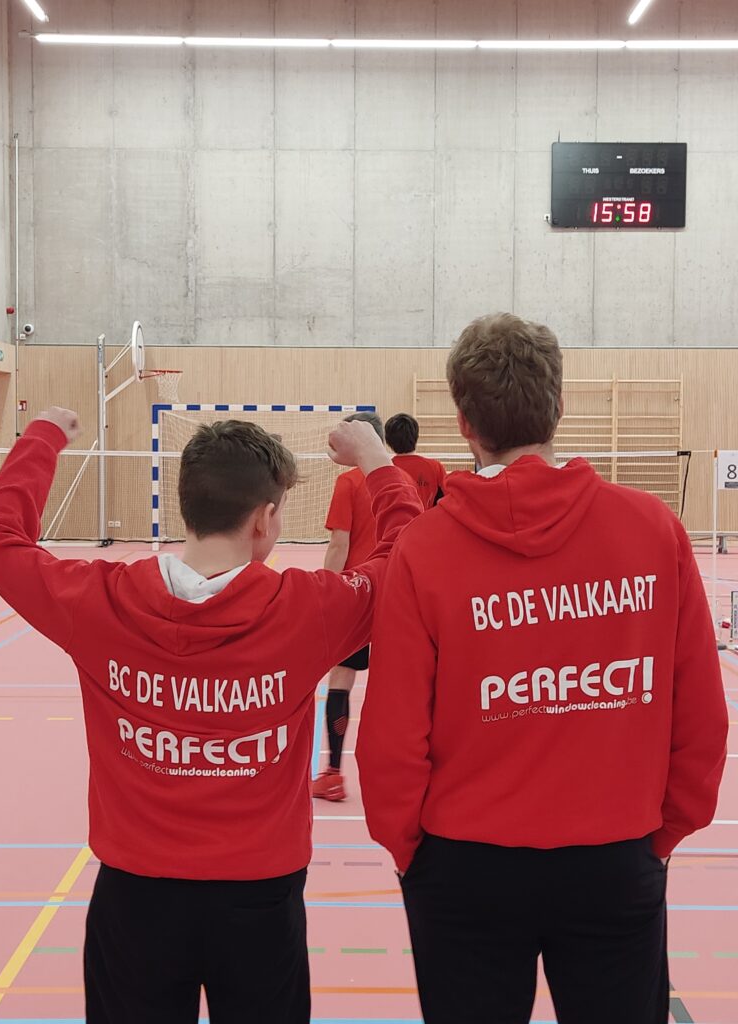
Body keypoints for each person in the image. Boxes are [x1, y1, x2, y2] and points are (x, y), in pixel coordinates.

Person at [0, 408, 421, 1024]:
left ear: (187, 506)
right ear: (265, 519)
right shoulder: (308, 611)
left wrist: (42, 436)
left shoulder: (99, 603)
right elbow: (408, 557)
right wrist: (376, 460)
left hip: (134, 900)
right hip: (260, 902)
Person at [356, 313, 728, 1024]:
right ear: (559, 407)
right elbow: (703, 716)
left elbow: (392, 735)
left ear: (464, 422)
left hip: (464, 867)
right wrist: (658, 837)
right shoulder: (652, 529)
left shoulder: (424, 551)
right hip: (614, 858)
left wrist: (414, 854)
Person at [312, 411, 392, 802]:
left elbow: (339, 544)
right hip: (398, 596)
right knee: (403, 688)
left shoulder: (348, 482)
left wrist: (329, 594)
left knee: (341, 678)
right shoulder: (401, 480)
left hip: (360, 595)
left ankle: (332, 775)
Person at [384, 412, 446, 509]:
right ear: (416, 436)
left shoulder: (386, 470)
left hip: (395, 524)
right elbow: (444, 502)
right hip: (426, 523)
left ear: (388, 441)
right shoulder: (435, 467)